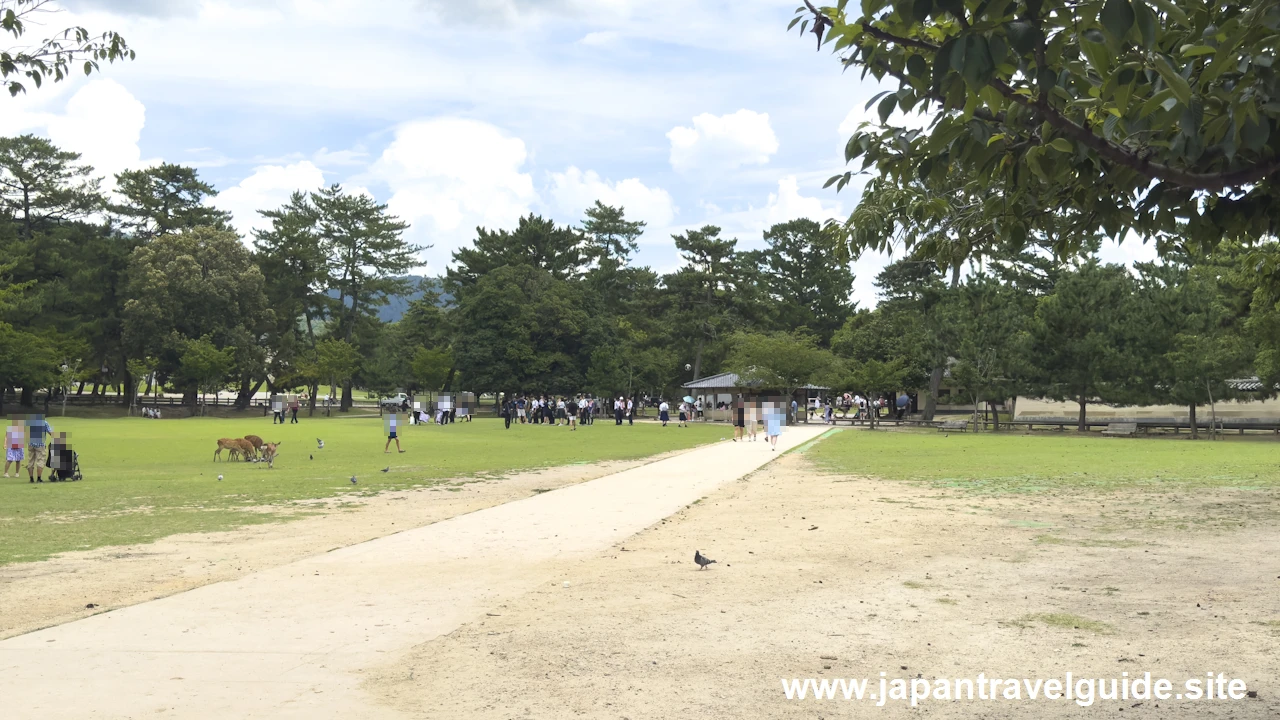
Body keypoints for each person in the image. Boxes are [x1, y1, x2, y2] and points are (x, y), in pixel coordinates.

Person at [27, 414, 51, 483]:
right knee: (40, 460)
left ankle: (31, 478)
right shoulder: (44, 423)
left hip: (31, 443)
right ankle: (39, 478)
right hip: (40, 444)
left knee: (30, 460)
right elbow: (50, 432)